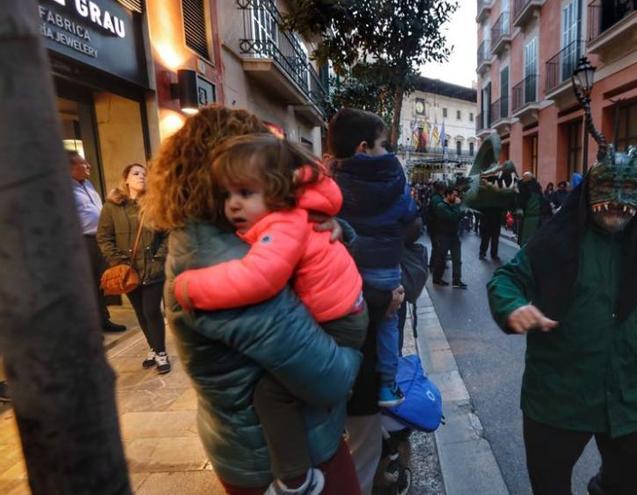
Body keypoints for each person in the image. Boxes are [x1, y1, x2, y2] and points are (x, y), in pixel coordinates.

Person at [142, 105, 362, 495]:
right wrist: (357, 355)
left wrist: (337, 230)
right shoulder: (223, 258)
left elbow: (294, 239)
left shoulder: (225, 232)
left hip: (253, 446)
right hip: (279, 460)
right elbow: (329, 378)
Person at [487, 151, 637, 495]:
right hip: (557, 393)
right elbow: (506, 278)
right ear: (590, 190)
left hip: (624, 388)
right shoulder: (555, 240)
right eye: (607, 187)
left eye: (628, 190)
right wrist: (513, 307)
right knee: (550, 484)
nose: (617, 203)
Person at [329, 108, 419, 410]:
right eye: (382, 145)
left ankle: (347, 385)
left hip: (346, 274)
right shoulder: (392, 175)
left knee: (353, 331)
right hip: (385, 271)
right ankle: (388, 385)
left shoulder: (330, 182)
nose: (386, 152)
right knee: (388, 323)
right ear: (363, 148)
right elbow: (411, 218)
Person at [97, 164, 169, 373]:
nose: (141, 177)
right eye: (136, 173)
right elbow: (104, 237)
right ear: (126, 179)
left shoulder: (156, 204)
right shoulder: (111, 206)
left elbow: (168, 233)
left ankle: (161, 353)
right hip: (128, 271)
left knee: (152, 311)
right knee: (140, 312)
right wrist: (119, 262)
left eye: (145, 174)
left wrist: (158, 259)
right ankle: (153, 348)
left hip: (153, 268)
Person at [70, 151, 126, 333]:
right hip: (82, 241)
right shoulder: (63, 189)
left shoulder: (87, 183)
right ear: (70, 167)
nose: (89, 167)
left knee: (102, 282)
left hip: (99, 239)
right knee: (88, 284)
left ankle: (103, 319)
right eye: (83, 164)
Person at [432, 186, 467, 288]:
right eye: (454, 195)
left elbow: (458, 216)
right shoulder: (441, 206)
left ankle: (457, 281)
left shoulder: (451, 205)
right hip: (443, 236)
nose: (456, 197)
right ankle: (437, 279)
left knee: (457, 259)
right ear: (448, 195)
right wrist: (457, 206)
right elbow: (452, 217)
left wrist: (461, 209)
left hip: (453, 236)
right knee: (441, 259)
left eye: (456, 195)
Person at [517, 172, 543, 245]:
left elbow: (520, 202)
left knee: (525, 240)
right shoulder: (537, 188)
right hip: (537, 217)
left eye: (524, 178)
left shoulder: (523, 188)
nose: (522, 179)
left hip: (527, 216)